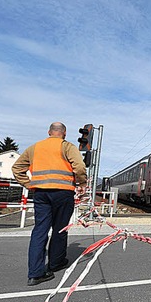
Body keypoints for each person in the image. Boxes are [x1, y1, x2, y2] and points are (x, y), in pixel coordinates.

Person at [12, 122, 88, 286]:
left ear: (49, 132)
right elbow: (80, 166)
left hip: (41, 193)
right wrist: (82, 183)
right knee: (60, 229)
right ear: (64, 133)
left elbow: (17, 168)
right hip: (63, 192)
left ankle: (35, 274)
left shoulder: (35, 148)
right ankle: (56, 262)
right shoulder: (67, 146)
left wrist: (29, 184)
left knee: (40, 230)